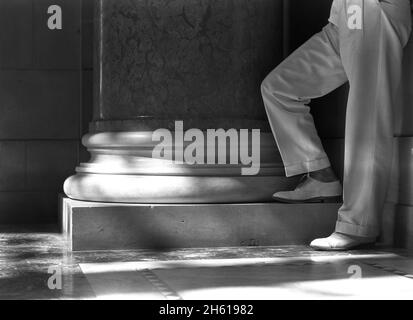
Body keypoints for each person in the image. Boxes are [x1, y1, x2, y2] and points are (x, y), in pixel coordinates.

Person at [261, 0, 412, 250]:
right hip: (344, 13)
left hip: (371, 6)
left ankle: (359, 225)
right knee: (278, 87)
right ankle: (321, 177)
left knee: (367, 112)